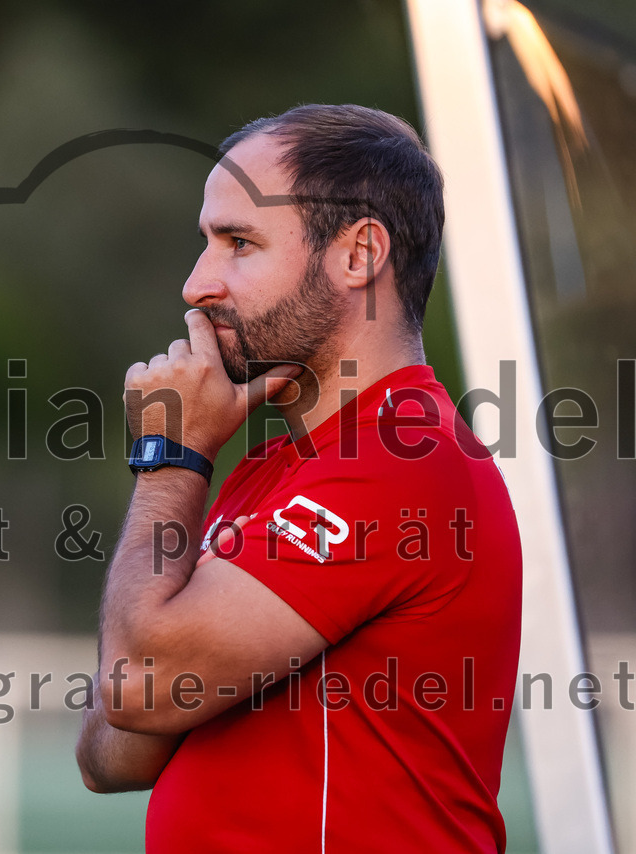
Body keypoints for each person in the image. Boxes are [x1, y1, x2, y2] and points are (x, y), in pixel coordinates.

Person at [75, 104, 522, 853]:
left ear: (359, 255)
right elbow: (110, 752)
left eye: (239, 243)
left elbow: (137, 690)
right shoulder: (272, 473)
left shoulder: (400, 460)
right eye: (205, 243)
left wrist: (171, 456)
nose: (196, 285)